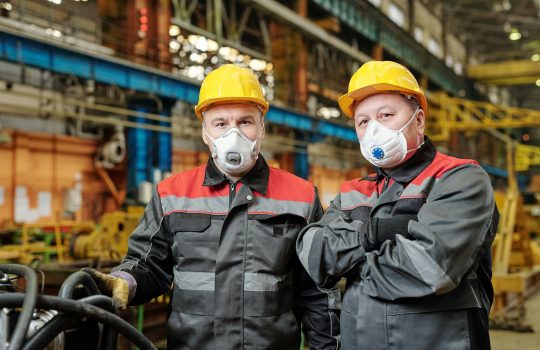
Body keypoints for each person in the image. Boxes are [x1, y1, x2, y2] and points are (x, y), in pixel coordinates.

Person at [84, 64, 340, 350]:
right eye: (220, 123)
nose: (234, 134)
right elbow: (150, 266)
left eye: (245, 122)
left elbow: (317, 292)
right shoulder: (172, 194)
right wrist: (127, 281)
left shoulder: (301, 196)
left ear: (262, 128)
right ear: (205, 132)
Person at [296, 60, 499, 350]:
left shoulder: (459, 178)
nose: (373, 129)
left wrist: (353, 266)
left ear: (418, 120)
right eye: (363, 121)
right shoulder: (355, 190)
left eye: (386, 115)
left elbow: (431, 269)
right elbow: (313, 252)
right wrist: (374, 235)